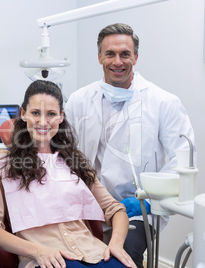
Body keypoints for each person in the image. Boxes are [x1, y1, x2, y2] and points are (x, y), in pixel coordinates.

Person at [65, 23, 195, 268]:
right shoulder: (79, 100)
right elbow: (64, 153)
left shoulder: (163, 102)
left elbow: (184, 160)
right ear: (99, 57)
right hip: (85, 205)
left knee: (121, 260)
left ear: (135, 56)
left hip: (137, 209)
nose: (118, 61)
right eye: (110, 54)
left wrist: (148, 199)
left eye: (125, 54)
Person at [0, 80, 137, 268]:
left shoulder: (75, 161)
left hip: (96, 254)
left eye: (51, 114)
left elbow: (116, 210)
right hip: (46, 260)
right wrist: (38, 251)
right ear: (23, 114)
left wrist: (116, 244)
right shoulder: (2, 163)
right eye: (36, 113)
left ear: (61, 117)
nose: (43, 122)